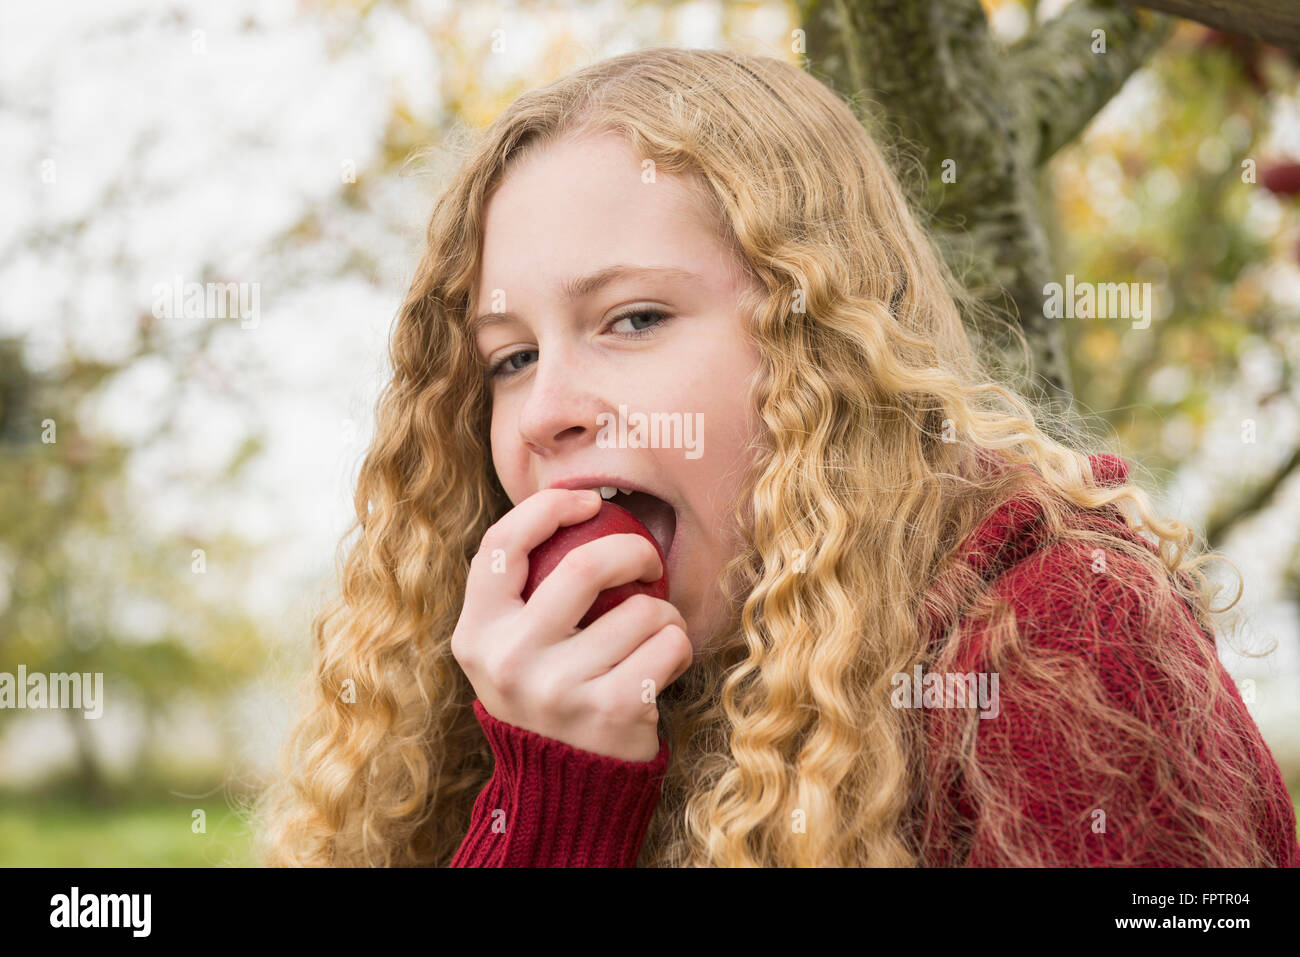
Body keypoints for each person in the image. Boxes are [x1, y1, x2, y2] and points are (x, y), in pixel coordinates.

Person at [256, 47, 1300, 867]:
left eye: (632, 318)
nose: (545, 411)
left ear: (823, 346)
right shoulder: (521, 703)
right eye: (512, 357)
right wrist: (553, 792)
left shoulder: (1058, 641)